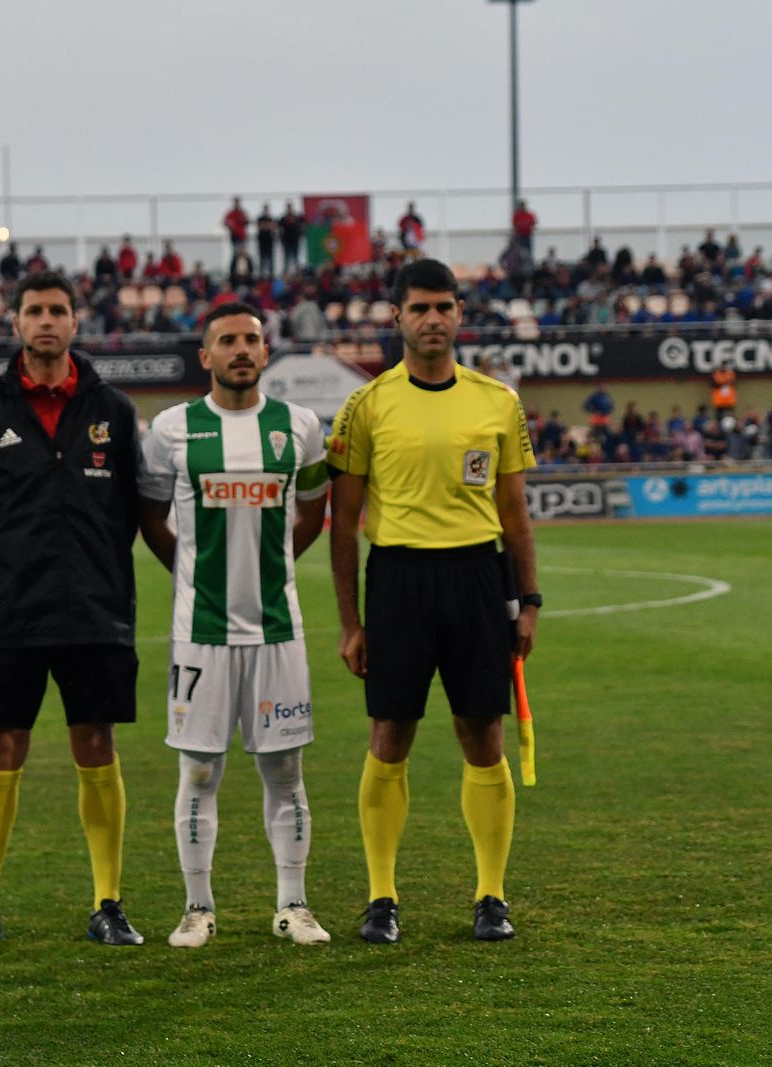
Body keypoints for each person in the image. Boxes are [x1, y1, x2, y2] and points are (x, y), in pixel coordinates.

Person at [325, 258, 540, 944]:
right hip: (397, 580)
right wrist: (351, 621)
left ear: (460, 314)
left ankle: (491, 895)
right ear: (396, 317)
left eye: (444, 306)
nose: (433, 319)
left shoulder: (496, 401)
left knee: (483, 734)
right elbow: (344, 521)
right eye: (419, 308)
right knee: (390, 735)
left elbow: (515, 512)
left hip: (478, 580)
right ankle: (382, 896)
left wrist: (527, 600)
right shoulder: (367, 404)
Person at [0, 269, 145, 953]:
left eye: (59, 309)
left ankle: (108, 901)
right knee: (2, 747)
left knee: (97, 744)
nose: (47, 321)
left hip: (95, 610)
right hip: (11, 612)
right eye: (35, 310)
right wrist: (1, 571)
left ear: (76, 321)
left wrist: (97, 572)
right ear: (16, 322)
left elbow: (127, 512)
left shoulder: (112, 410)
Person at [138, 302, 332, 950]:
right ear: (206, 355)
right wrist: (195, 576)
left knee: (285, 772)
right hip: (201, 634)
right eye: (227, 340)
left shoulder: (299, 426)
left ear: (266, 350)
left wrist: (270, 568)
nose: (241, 349)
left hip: (279, 632)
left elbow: (312, 512)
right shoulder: (172, 428)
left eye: (251, 338)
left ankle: (294, 904)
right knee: (198, 773)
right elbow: (151, 516)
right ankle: (198, 907)